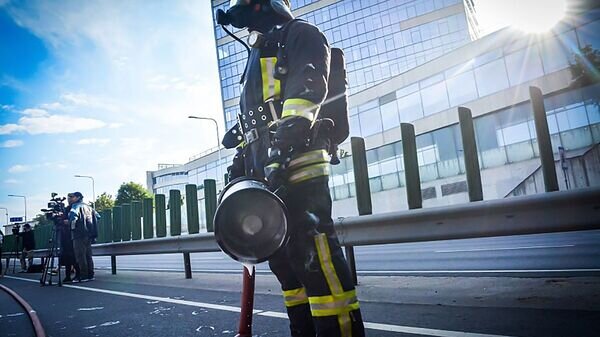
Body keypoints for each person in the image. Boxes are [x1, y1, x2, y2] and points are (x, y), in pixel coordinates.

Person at [217, 1, 365, 336]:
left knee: (315, 257)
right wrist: (241, 164)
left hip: (299, 164)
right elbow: (252, 122)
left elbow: (307, 90)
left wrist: (282, 150)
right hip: (263, 171)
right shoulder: (255, 56)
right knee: (285, 265)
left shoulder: (301, 35)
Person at [68, 192, 96, 282]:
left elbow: (73, 216)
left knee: (80, 256)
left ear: (78, 197)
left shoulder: (76, 206)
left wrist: (69, 221)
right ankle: (91, 275)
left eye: (72, 197)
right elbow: (98, 216)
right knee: (88, 255)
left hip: (78, 234)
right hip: (88, 234)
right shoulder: (89, 207)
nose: (70, 199)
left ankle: (84, 276)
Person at [60, 202, 79, 283]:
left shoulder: (75, 209)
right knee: (68, 256)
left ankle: (77, 273)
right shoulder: (68, 209)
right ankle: (68, 275)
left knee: (71, 256)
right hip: (66, 236)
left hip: (71, 235)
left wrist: (68, 222)